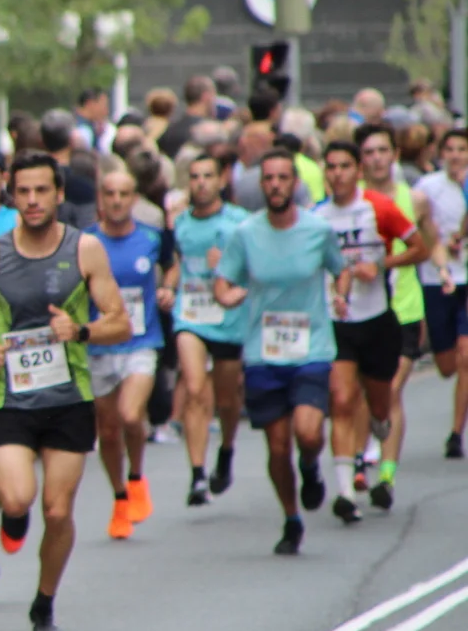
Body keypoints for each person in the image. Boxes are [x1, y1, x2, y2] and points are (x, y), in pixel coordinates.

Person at [0, 153, 129, 631]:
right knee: (17, 497)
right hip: (10, 398)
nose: (32, 201)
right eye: (24, 192)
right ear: (13, 195)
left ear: (59, 195)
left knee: (57, 511)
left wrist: (80, 330)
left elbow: (120, 322)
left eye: (41, 191)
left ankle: (44, 602)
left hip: (68, 398)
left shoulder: (85, 249)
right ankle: (13, 516)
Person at [213, 150, 352, 556]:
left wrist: (341, 295)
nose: (275, 185)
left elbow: (340, 268)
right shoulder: (246, 233)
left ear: (295, 183)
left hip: (311, 348)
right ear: (262, 185)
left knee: (307, 433)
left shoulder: (317, 230)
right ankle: (291, 518)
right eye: (269, 178)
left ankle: (310, 466)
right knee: (277, 447)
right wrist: (227, 296)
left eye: (282, 178)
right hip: (263, 351)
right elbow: (223, 281)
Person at [313, 137, 424, 524]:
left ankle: (380, 434)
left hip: (377, 319)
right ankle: (345, 491)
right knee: (342, 399)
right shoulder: (317, 217)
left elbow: (419, 247)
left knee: (380, 404)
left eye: (345, 166)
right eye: (331, 167)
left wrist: (380, 266)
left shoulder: (378, 207)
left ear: (357, 171)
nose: (337, 174)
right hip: (338, 322)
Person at [88, 169, 170, 541]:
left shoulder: (151, 238)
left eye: (124, 194)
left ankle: (136, 476)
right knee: (108, 431)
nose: (117, 200)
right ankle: (120, 496)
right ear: (100, 198)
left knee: (130, 414)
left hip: (141, 341)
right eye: (110, 193)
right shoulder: (87, 242)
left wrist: (168, 287)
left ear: (134, 198)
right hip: (99, 345)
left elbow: (172, 265)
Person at [166, 153, 248, 505]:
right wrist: (168, 287)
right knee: (195, 388)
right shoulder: (180, 222)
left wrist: (227, 265)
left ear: (221, 180)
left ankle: (226, 450)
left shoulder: (240, 222)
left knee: (227, 400)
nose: (201, 183)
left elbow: (255, 265)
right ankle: (198, 475)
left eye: (208, 176)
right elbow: (177, 264)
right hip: (191, 315)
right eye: (195, 176)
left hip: (229, 317)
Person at [361, 124, 430, 507]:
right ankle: (358, 460)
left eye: (382, 151)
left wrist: (442, 266)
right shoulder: (351, 202)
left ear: (395, 154)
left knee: (391, 389)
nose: (376, 159)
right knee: (364, 391)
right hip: (361, 311)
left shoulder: (414, 199)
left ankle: (386, 477)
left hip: (404, 306)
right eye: (369, 152)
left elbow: (429, 244)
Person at [414, 128, 468, 457]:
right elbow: (418, 227)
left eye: (462, 149)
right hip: (437, 278)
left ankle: (456, 433)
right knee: (447, 365)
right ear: (441, 153)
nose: (456, 155)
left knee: (466, 356)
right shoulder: (428, 187)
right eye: (450, 149)